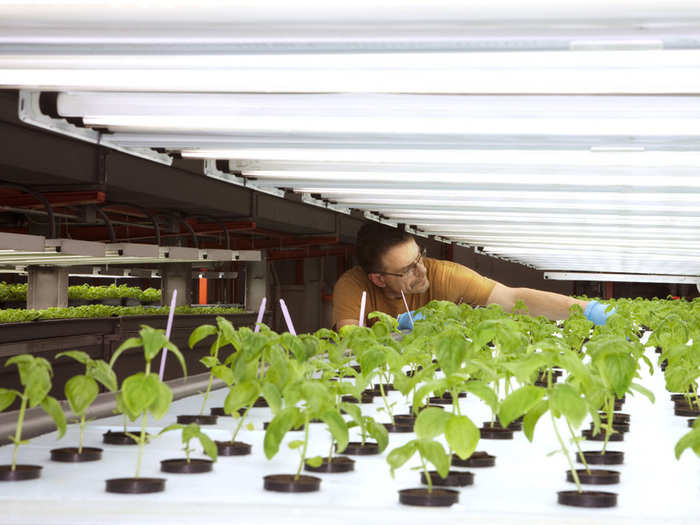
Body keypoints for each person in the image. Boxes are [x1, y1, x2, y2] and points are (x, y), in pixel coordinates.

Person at [332, 222, 613, 330]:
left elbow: (513, 298)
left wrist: (588, 311)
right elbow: (350, 338)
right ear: (379, 279)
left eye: (420, 257)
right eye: (408, 269)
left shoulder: (446, 276)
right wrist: (395, 327)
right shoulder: (354, 286)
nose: (422, 270)